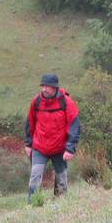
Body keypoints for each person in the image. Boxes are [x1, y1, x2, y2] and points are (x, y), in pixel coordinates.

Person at [24, 73, 80, 201]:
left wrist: (70, 148)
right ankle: (33, 203)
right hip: (39, 147)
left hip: (60, 148)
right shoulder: (36, 101)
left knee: (61, 179)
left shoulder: (66, 102)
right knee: (35, 175)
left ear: (55, 87)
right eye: (43, 86)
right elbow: (30, 122)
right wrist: (28, 144)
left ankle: (60, 202)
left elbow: (74, 125)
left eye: (47, 86)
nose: (44, 89)